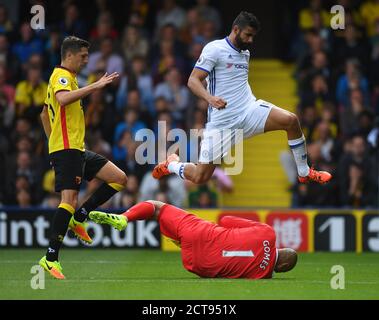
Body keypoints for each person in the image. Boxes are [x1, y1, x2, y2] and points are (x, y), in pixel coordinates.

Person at [152, 11, 332, 186]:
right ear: (236, 29)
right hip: (222, 122)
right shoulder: (214, 49)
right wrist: (210, 98)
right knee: (200, 177)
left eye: (253, 36)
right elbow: (193, 80)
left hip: (248, 111)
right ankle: (172, 164)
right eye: (248, 35)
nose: (250, 40)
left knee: (291, 120)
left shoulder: (245, 53)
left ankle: (304, 172)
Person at [38, 36, 127, 280]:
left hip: (73, 148)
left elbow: (44, 114)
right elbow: (63, 98)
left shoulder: (69, 79)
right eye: (83, 56)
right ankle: (50, 258)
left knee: (119, 178)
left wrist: (51, 146)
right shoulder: (61, 77)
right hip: (67, 149)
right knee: (68, 200)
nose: (86, 59)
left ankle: (79, 219)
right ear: (70, 55)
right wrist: (95, 86)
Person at [89, 201, 297, 279]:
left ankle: (125, 218)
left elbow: (225, 220)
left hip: (201, 235)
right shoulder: (262, 276)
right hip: (200, 267)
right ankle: (179, 239)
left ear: (283, 250)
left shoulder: (268, 232)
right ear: (284, 266)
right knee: (184, 237)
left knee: (157, 208)